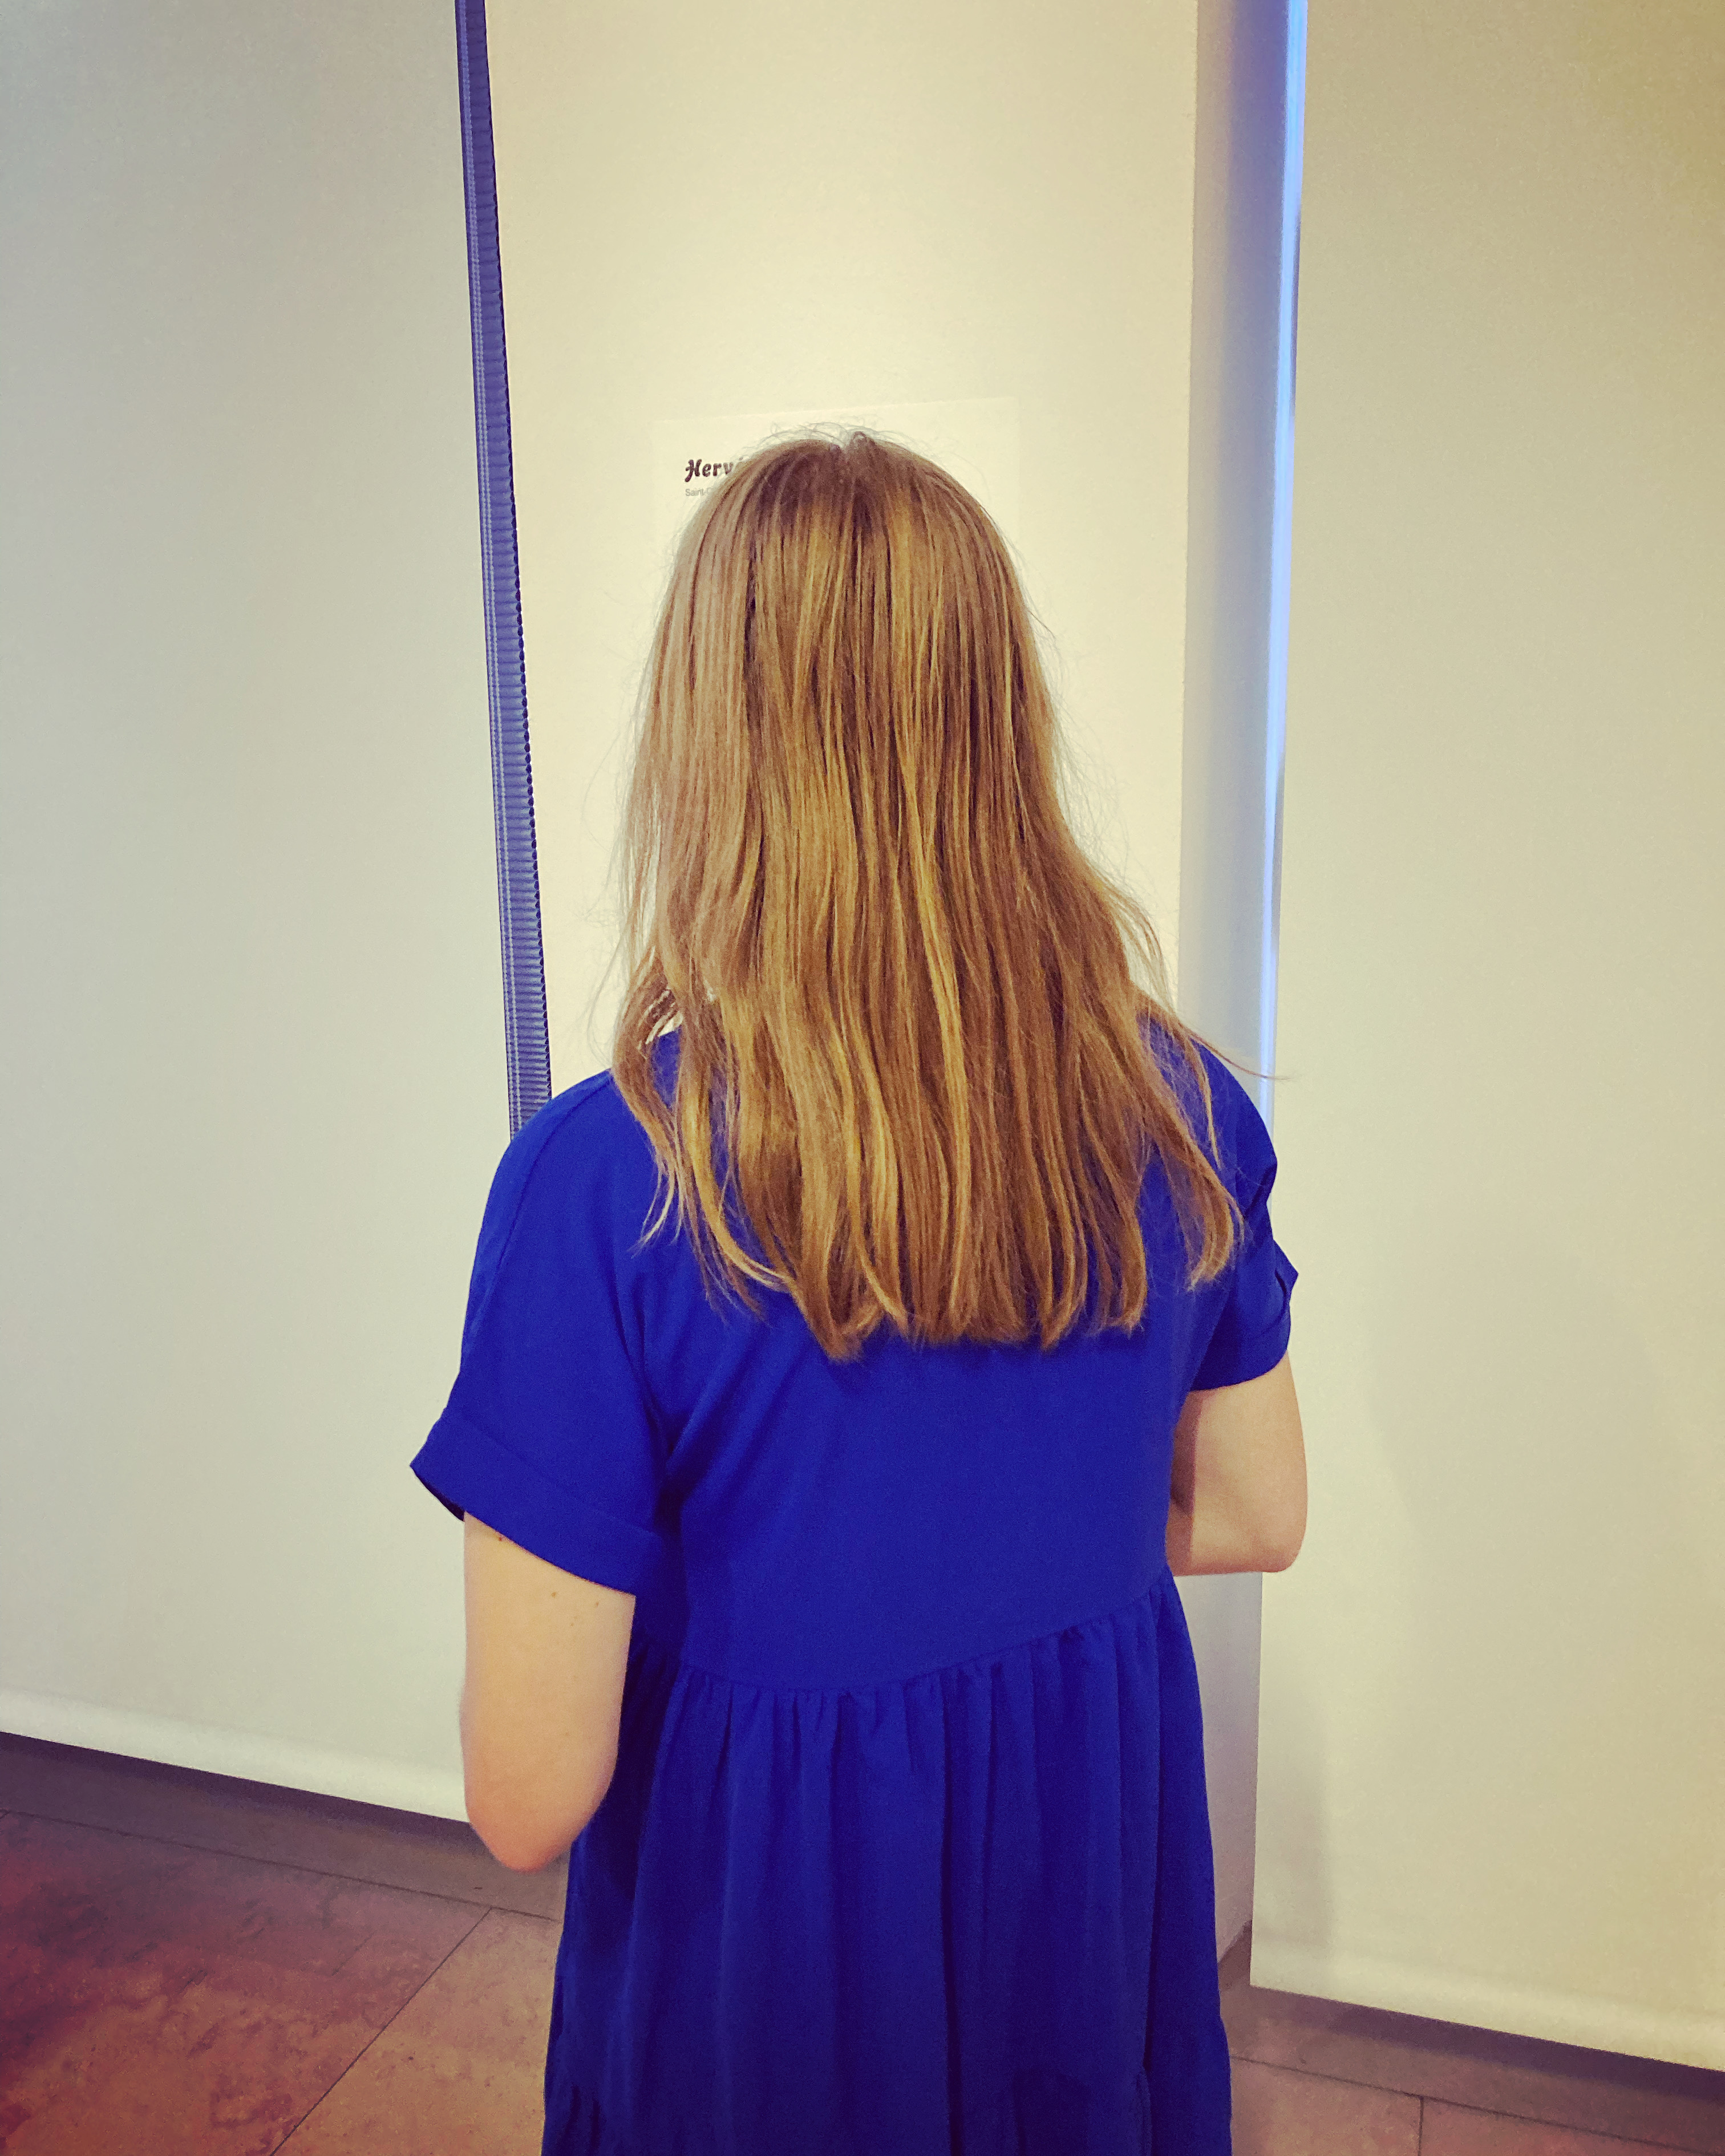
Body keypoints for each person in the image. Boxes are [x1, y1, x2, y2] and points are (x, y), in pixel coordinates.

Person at [411, 428, 1305, 2156]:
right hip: (1074, 1896)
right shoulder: (1177, 1108)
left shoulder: (611, 1182)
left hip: (772, 1959)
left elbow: (526, 1797)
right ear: (1001, 728)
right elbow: (1260, 1510)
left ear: (705, 746)